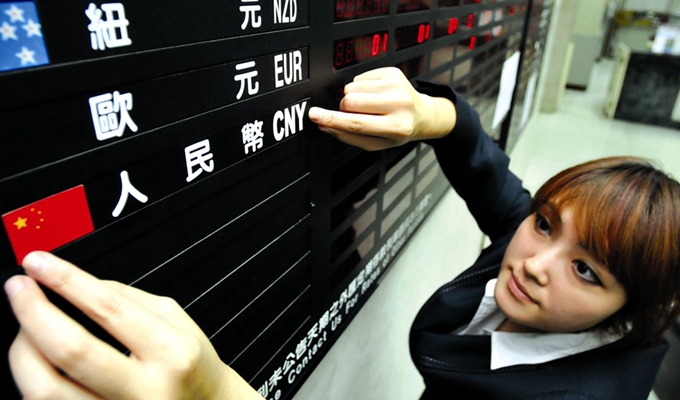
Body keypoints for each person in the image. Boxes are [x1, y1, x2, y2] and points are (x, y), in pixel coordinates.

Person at [5, 67, 680, 399]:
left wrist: (213, 391)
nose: (534, 261)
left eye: (586, 270)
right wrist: (432, 115)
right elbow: (492, 179)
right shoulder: (530, 250)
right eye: (546, 223)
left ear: (632, 310)